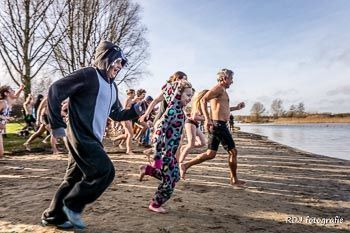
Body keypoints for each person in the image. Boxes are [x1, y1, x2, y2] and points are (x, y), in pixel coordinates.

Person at [41, 40, 143, 229]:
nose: (119, 67)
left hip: (94, 138)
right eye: (117, 61)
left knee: (73, 179)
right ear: (106, 59)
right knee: (106, 171)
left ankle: (52, 216)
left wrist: (136, 109)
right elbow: (55, 89)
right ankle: (72, 205)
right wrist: (55, 124)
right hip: (80, 135)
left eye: (122, 63)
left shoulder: (113, 87)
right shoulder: (89, 74)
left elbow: (116, 114)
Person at [180, 69, 246, 186]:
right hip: (219, 125)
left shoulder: (223, 90)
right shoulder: (218, 88)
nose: (232, 81)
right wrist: (207, 119)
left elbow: (222, 110)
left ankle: (185, 165)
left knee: (210, 154)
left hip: (218, 124)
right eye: (231, 79)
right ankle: (234, 180)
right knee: (233, 152)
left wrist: (236, 108)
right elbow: (204, 100)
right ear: (224, 78)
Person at [139, 79, 193, 214]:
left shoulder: (180, 110)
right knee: (169, 183)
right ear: (178, 94)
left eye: (191, 96)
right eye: (187, 95)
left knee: (175, 177)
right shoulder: (172, 111)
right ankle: (155, 204)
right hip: (164, 153)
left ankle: (147, 170)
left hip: (170, 153)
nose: (190, 98)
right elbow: (158, 134)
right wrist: (157, 159)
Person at [178, 90, 208, 164]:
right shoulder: (199, 103)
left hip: (195, 124)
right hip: (190, 123)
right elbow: (194, 116)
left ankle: (184, 147)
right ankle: (180, 163)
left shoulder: (203, 104)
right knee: (191, 144)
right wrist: (206, 118)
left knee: (203, 143)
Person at [0, 84, 24, 158]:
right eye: (11, 90)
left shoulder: (9, 102)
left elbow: (16, 96)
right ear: (6, 93)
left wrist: (20, 89)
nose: (14, 91)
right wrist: (5, 117)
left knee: (1, 153)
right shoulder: (2, 102)